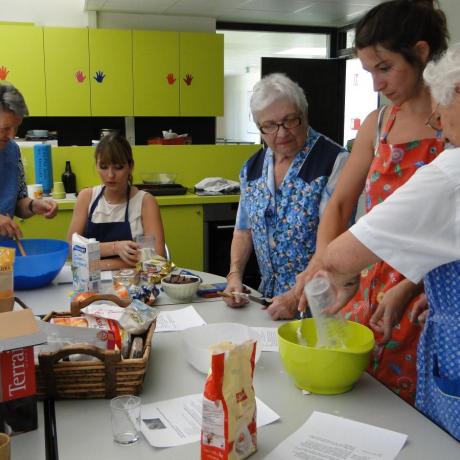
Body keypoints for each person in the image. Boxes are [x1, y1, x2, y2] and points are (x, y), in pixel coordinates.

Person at [295, 0, 449, 404]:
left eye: (385, 68)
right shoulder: (378, 124)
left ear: (420, 52)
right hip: (366, 281)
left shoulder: (452, 124)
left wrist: (406, 286)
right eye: (369, 73)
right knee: (355, 396)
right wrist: (324, 267)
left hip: (423, 296)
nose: (377, 84)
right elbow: (341, 204)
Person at [317, 42, 460, 442]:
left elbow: (343, 254)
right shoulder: (380, 124)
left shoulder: (451, 170)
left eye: (443, 102)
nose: (436, 118)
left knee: (428, 440)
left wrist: (332, 268)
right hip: (403, 290)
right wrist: (418, 286)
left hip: (445, 340)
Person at [224, 73, 348, 319]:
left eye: (290, 121)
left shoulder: (334, 162)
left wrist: (294, 296)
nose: (281, 134)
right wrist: (234, 275)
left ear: (305, 115)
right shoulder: (252, 168)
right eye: (269, 126)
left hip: (319, 305)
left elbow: (335, 243)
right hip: (267, 303)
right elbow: (243, 229)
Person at [67, 132, 165, 270]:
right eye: (103, 167)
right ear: (96, 166)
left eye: (118, 167)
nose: (110, 175)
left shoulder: (145, 202)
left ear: (130, 167)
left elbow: (156, 258)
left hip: (133, 283)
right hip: (90, 283)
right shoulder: (86, 197)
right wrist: (115, 248)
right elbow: (71, 249)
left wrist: (97, 264)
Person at [0, 83, 58, 240]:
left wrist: (33, 205)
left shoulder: (12, 151)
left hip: (4, 253)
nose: (12, 135)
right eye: (5, 128)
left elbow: (18, 200)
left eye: (16, 127)